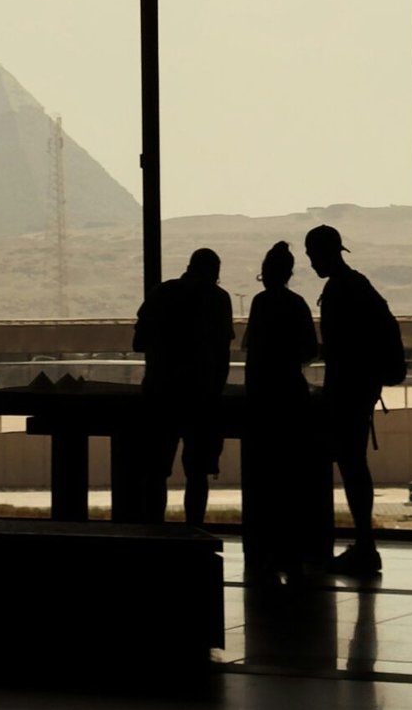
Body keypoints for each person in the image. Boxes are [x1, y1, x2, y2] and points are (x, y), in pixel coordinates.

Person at [304, 223, 390, 575]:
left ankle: (364, 546)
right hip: (361, 388)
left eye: (313, 256)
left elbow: (340, 349)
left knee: (351, 466)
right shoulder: (358, 285)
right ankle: (364, 543)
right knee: (354, 465)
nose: (311, 264)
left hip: (347, 390)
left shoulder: (339, 291)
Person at [133, 246, 235, 526]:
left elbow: (139, 342)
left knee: (155, 470)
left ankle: (155, 533)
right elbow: (223, 354)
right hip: (201, 398)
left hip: (161, 394)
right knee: (198, 472)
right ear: (215, 273)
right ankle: (194, 532)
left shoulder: (161, 294)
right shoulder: (218, 300)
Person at [242, 240, 323, 581]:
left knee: (265, 478)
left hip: (263, 397)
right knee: (292, 477)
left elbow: (252, 352)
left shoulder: (260, 305)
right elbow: (309, 349)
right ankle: (293, 549)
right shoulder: (297, 305)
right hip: (291, 394)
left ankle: (265, 549)